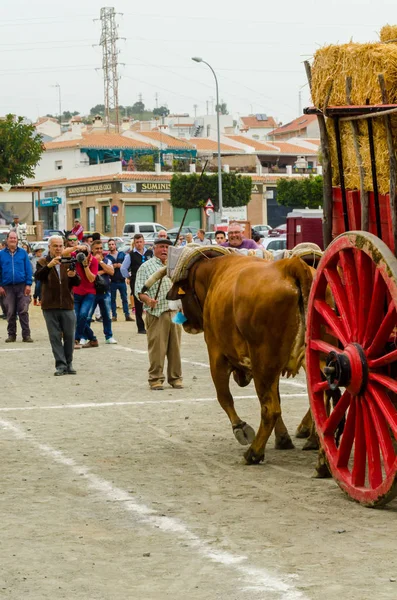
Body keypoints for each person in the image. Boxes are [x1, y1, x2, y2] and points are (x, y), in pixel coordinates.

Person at [135, 237, 183, 390]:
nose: (164, 250)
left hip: (176, 312)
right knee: (157, 349)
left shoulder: (176, 266)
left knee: (176, 348)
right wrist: (148, 300)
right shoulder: (146, 267)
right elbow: (139, 291)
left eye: (167, 248)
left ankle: (176, 378)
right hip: (156, 313)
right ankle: (155, 379)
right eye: (161, 247)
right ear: (154, 248)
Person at [35, 235, 80, 376]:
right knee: (55, 336)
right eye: (55, 246)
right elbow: (38, 277)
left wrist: (73, 276)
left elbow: (77, 283)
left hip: (67, 304)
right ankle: (60, 365)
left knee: (69, 335)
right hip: (50, 305)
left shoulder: (68, 261)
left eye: (61, 246)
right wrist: (49, 266)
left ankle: (69, 363)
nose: (58, 249)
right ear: (49, 247)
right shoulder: (42, 261)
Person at [0, 231, 33, 343]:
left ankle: (26, 335)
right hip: (7, 287)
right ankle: (11, 335)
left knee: (23, 310)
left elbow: (28, 269)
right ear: (7, 239)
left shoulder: (23, 253)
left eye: (15, 238)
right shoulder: (1, 254)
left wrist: (28, 284)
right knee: (10, 312)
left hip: (22, 286)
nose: (13, 240)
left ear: (17, 240)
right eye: (11, 238)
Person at [121, 233, 153, 334]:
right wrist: (129, 276)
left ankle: (152, 325)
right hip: (136, 281)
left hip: (149, 280)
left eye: (140, 242)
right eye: (137, 242)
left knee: (151, 300)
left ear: (144, 242)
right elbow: (123, 268)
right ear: (134, 243)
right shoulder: (130, 255)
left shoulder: (149, 253)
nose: (139, 244)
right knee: (138, 304)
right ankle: (141, 327)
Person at [88, 239, 117, 345]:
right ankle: (84, 336)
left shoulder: (107, 259)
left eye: (101, 248)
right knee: (87, 316)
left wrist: (100, 262)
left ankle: (109, 336)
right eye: (97, 249)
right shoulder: (88, 260)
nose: (99, 251)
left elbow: (112, 272)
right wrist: (104, 270)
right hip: (91, 292)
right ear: (92, 249)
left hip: (105, 292)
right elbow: (91, 274)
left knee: (107, 316)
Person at [73, 243, 99, 349]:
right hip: (76, 292)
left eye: (85, 252)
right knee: (75, 317)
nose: (82, 255)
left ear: (89, 253)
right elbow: (63, 253)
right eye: (80, 252)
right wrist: (76, 248)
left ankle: (76, 339)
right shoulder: (76, 257)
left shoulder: (94, 261)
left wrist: (85, 265)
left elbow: (91, 279)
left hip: (89, 293)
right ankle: (93, 339)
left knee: (83, 315)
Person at [107, 238, 133, 322]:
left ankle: (127, 315)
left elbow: (127, 265)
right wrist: (113, 266)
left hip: (121, 280)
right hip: (113, 281)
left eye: (112, 244)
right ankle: (114, 315)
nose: (111, 246)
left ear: (115, 245)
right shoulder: (107, 257)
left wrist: (121, 266)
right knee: (112, 299)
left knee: (124, 299)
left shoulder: (122, 254)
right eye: (109, 244)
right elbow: (106, 268)